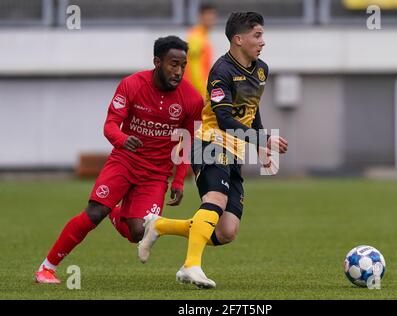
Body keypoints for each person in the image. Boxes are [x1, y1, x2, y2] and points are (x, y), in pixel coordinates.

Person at [34, 35, 203, 284]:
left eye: (182, 66)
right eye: (173, 64)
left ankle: (115, 212)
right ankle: (47, 268)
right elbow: (110, 125)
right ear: (157, 61)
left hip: (156, 174)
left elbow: (187, 140)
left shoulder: (192, 98)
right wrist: (123, 140)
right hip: (125, 161)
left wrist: (178, 181)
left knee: (138, 233)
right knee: (94, 212)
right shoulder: (132, 85)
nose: (178, 71)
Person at [138, 12, 289, 289]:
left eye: (263, 35)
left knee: (227, 231)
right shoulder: (221, 71)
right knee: (216, 201)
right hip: (209, 143)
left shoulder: (261, 69)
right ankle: (190, 266)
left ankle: (159, 226)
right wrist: (263, 139)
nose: (263, 41)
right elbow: (225, 120)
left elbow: (251, 111)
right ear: (238, 39)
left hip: (234, 150)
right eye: (258, 35)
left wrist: (260, 143)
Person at [184, 3, 217, 99]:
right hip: (195, 92)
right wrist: (203, 91)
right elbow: (194, 67)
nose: (210, 19)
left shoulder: (203, 37)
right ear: (200, 16)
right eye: (207, 15)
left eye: (212, 16)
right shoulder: (196, 37)